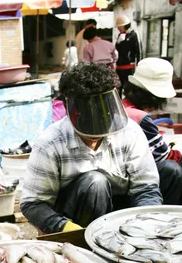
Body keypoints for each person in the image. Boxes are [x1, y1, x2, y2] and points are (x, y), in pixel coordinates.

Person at [20, 62, 162, 235]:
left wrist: (145, 226)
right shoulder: (50, 143)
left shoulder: (130, 132)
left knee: (171, 171)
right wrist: (64, 227)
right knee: (96, 183)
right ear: (69, 107)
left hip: (119, 212)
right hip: (75, 214)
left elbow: (146, 188)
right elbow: (32, 204)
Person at [123, 57, 182, 204]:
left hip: (125, 176)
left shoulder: (123, 106)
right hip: (136, 182)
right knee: (173, 168)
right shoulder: (141, 118)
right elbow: (165, 157)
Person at [115, 14, 142, 95]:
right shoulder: (120, 35)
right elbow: (118, 50)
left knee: (129, 87)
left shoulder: (134, 34)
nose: (118, 28)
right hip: (119, 66)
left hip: (129, 66)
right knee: (118, 86)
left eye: (120, 26)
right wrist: (119, 42)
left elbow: (139, 50)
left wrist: (139, 64)